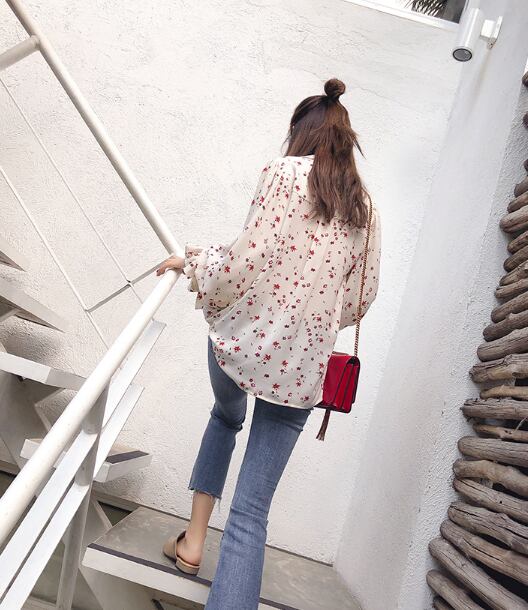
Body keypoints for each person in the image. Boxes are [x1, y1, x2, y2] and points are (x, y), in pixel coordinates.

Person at [156, 78, 381, 610]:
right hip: (300, 367)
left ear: (301, 131)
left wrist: (195, 262)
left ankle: (192, 542)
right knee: (251, 513)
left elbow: (242, 263)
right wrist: (311, 320)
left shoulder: (281, 174)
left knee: (224, 417)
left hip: (244, 344)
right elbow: (362, 296)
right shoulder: (364, 207)